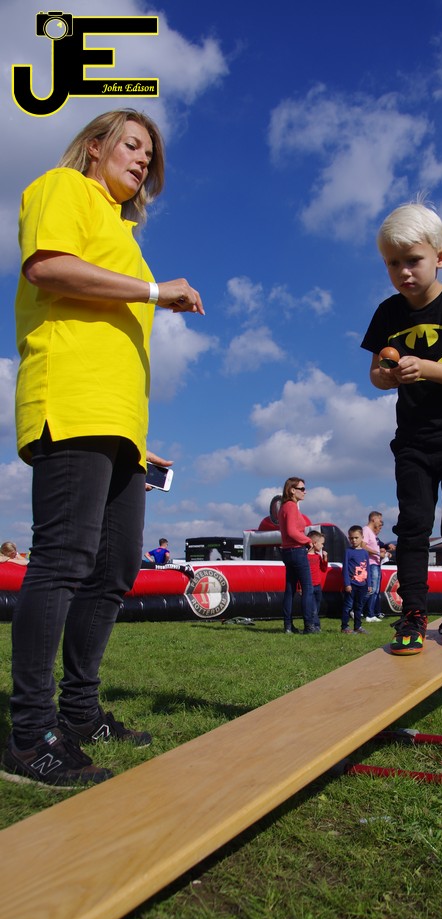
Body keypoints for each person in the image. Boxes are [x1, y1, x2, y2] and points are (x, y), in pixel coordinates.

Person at [0, 109, 204, 790]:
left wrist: (138, 440)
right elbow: (48, 267)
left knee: (114, 569)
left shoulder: (122, 235)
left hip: (120, 424)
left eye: (151, 155)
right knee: (62, 558)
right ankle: (29, 734)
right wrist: (155, 291)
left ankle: (80, 714)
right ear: (94, 147)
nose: (143, 160)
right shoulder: (62, 187)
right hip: (70, 401)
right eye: (132, 145)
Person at [361, 200, 442, 654]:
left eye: (413, 260)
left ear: (441, 257)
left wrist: (427, 368)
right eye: (392, 263)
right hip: (414, 440)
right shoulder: (387, 313)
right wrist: (388, 377)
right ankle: (413, 613)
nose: (403, 272)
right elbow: (375, 375)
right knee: (413, 527)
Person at [278, 477, 316, 634]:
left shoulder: (283, 507)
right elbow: (292, 531)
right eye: (302, 489)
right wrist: (308, 541)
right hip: (296, 550)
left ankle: (288, 626)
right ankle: (309, 625)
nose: (305, 492)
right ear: (292, 490)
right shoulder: (291, 506)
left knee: (290, 589)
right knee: (307, 588)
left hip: (287, 551)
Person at [341, 526, 371, 634]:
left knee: (359, 606)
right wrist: (347, 583)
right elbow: (345, 569)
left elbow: (367, 569)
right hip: (352, 584)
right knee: (348, 606)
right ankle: (345, 627)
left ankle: (358, 626)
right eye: (351, 538)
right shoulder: (348, 552)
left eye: (356, 538)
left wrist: (369, 584)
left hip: (362, 585)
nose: (353, 540)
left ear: (362, 537)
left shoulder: (365, 553)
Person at [362, 511, 384, 622]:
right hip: (371, 563)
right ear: (373, 519)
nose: (380, 522)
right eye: (380, 520)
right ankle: (359, 609)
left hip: (376, 563)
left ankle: (370, 613)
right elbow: (363, 546)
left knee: (375, 590)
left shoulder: (372, 533)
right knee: (371, 589)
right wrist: (377, 553)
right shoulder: (366, 530)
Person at [306, 530, 329, 631]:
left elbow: (324, 569)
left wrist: (325, 558)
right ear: (314, 543)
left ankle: (313, 624)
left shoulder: (318, 556)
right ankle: (316, 626)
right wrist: (300, 587)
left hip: (317, 585)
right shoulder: (305, 557)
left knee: (317, 606)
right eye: (322, 543)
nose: (323, 546)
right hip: (309, 585)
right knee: (313, 608)